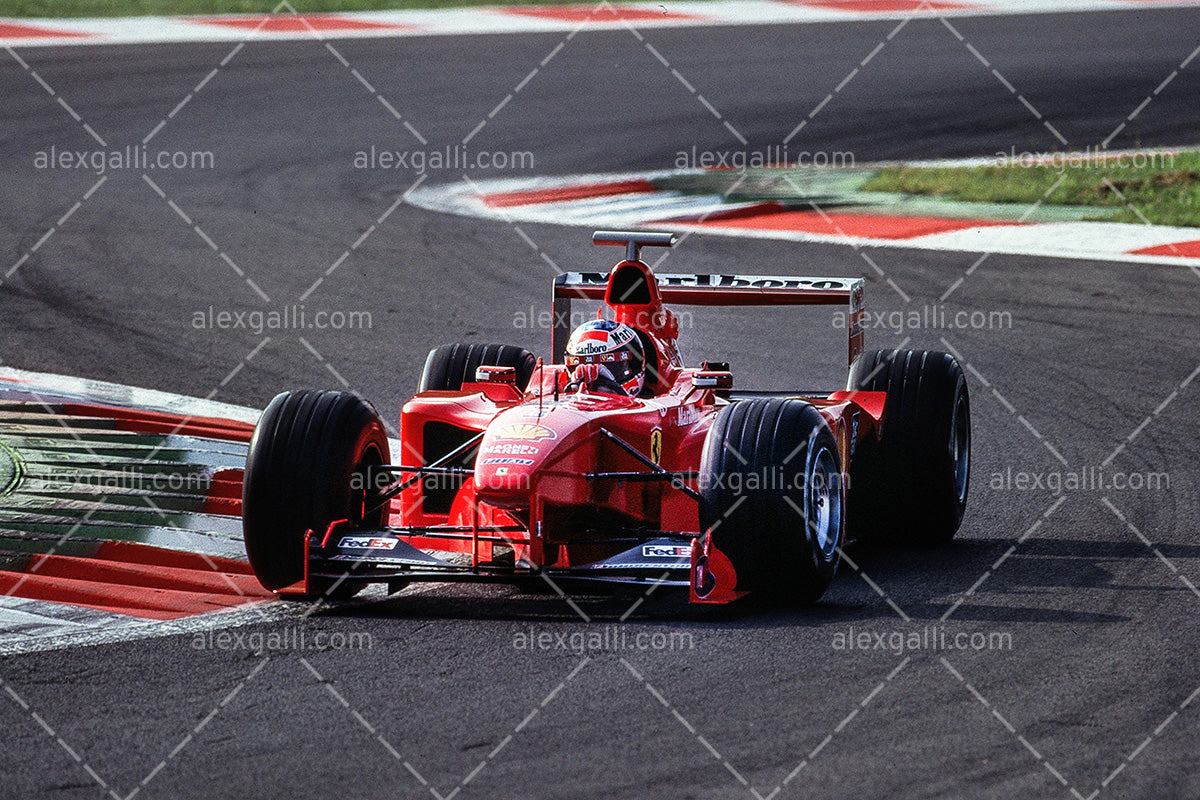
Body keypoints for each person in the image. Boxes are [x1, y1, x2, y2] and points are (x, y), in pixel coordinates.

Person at [564, 319, 645, 396]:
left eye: (612, 367)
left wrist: (612, 387)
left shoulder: (656, 402)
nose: (593, 385)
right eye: (583, 375)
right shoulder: (554, 385)